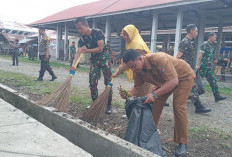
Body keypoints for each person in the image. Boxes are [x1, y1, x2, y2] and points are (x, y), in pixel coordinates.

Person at [121, 49, 195, 156]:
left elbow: (174, 81)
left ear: (140, 58)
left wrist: (154, 94)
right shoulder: (137, 70)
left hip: (184, 78)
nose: (133, 69)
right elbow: (137, 88)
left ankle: (182, 142)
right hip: (165, 82)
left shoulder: (159, 59)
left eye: (133, 66)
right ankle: (148, 136)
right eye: (130, 67)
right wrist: (127, 94)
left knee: (178, 106)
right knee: (152, 104)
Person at [112, 24, 169, 106]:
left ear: (132, 33)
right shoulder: (131, 43)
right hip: (141, 72)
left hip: (146, 73)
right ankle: (140, 111)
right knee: (139, 92)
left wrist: (118, 73)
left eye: (127, 35)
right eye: (123, 35)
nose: (125, 37)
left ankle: (144, 112)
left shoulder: (136, 44)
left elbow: (128, 64)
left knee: (143, 94)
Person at [71, 17, 112, 114]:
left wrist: (87, 51)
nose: (79, 30)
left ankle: (108, 105)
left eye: (80, 28)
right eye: (77, 29)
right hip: (94, 60)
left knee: (108, 82)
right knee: (92, 82)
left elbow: (100, 48)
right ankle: (95, 104)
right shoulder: (82, 39)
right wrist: (73, 65)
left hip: (104, 58)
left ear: (86, 25)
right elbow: (78, 53)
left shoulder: (98, 32)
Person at [177, 24, 211, 113]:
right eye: (196, 31)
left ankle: (197, 105)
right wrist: (180, 69)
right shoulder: (185, 42)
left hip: (188, 69)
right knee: (193, 86)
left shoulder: (188, 42)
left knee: (191, 87)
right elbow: (178, 57)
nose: (197, 33)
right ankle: (198, 106)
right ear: (191, 31)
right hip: (184, 70)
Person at [196, 32, 226, 102]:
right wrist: (198, 65)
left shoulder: (211, 46)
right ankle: (190, 95)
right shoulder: (204, 45)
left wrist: (216, 61)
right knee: (197, 82)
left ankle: (217, 96)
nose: (215, 39)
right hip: (203, 67)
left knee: (213, 81)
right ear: (210, 37)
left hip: (209, 67)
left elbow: (210, 58)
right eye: (215, 37)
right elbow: (200, 56)